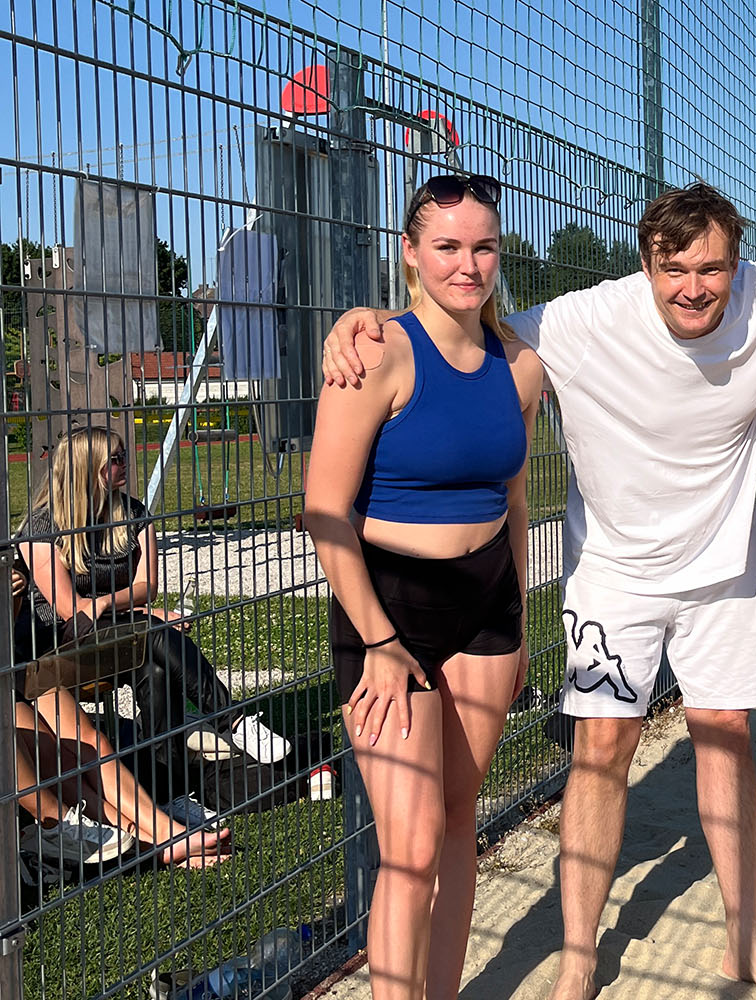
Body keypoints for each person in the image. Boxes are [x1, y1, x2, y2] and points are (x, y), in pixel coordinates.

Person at [321, 181, 756, 1000]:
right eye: (673, 267)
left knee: (725, 733)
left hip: (722, 573)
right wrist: (361, 321)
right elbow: (459, 328)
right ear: (645, 265)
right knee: (602, 750)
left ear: (738, 265)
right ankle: (580, 954)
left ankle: (745, 939)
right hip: (613, 578)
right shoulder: (578, 321)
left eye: (713, 267)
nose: (694, 285)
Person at [303, 172, 542, 1000]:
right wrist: (376, 639)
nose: (467, 264)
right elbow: (323, 511)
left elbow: (515, 502)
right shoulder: (374, 352)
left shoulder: (521, 366)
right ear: (410, 254)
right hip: (389, 603)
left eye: (482, 246)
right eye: (446, 246)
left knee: (453, 829)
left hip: (487, 603)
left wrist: (518, 627)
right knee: (405, 848)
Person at [15, 426, 291, 777]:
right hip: (54, 639)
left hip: (113, 629)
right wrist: (145, 613)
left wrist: (113, 605)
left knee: (156, 669)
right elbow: (71, 609)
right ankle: (232, 720)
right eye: (114, 460)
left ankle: (165, 786)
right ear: (88, 468)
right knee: (153, 630)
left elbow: (147, 585)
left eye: (123, 455)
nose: (124, 464)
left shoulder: (132, 514)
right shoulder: (44, 525)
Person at [10, 559, 231, 868]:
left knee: (90, 741)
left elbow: (12, 624)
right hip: (18, 675)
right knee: (50, 753)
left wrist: (14, 591)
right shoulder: (39, 524)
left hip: (16, 663)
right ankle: (148, 843)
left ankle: (165, 831)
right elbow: (68, 608)